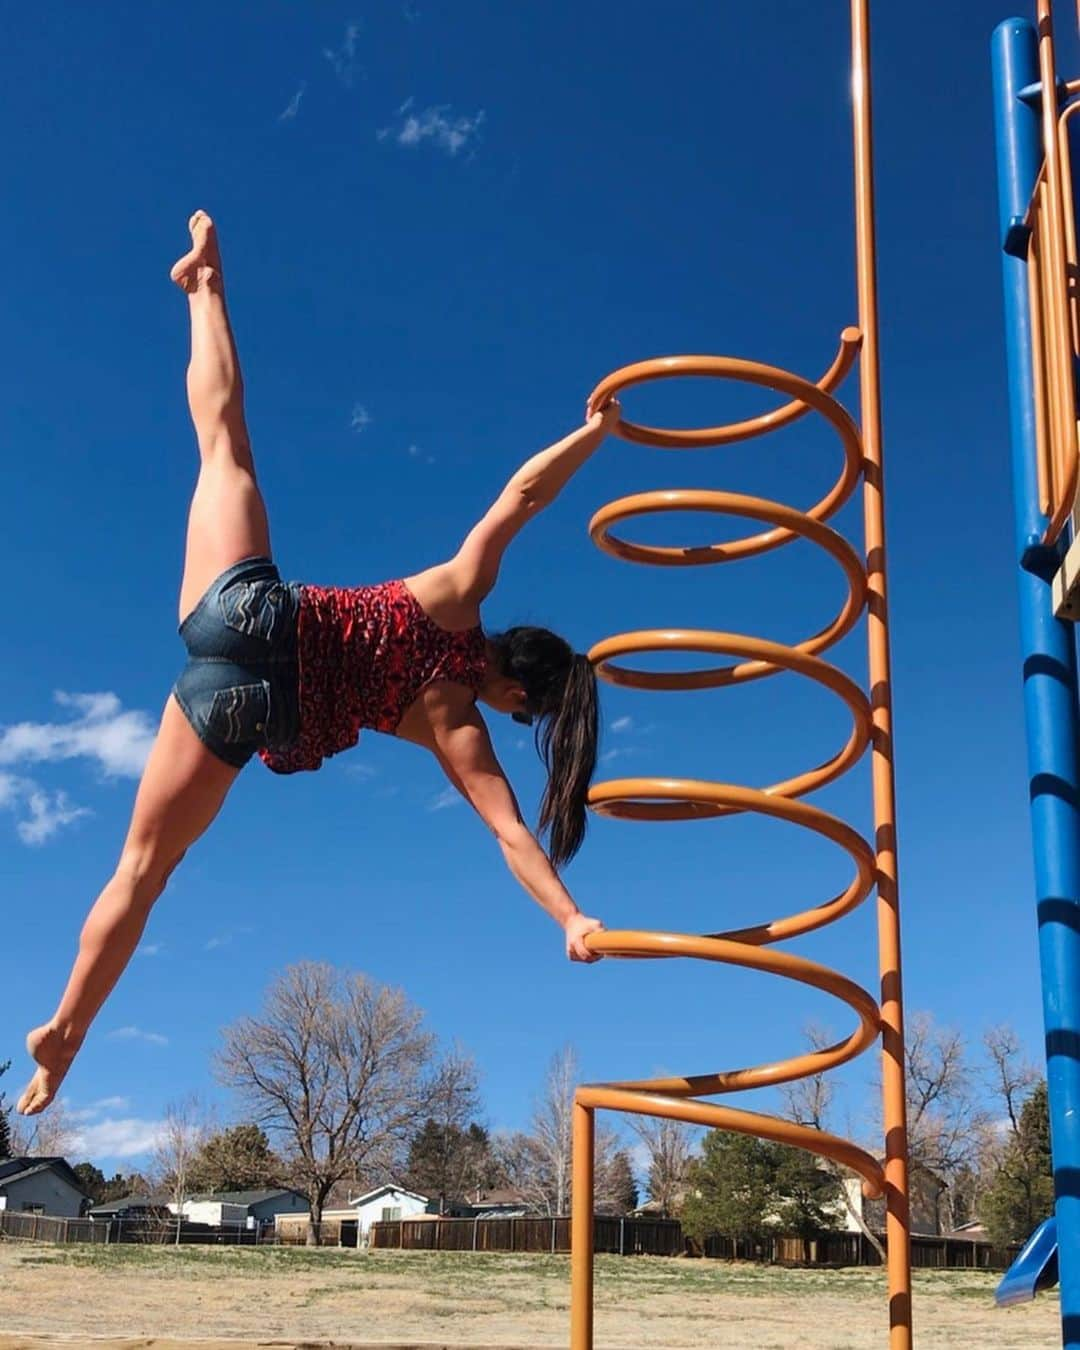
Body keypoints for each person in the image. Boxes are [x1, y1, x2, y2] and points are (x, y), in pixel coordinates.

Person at [17, 211, 615, 1118]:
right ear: (518, 694)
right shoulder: (455, 726)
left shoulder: (458, 593)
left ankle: (205, 286)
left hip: (251, 612)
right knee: (141, 872)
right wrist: (569, 917)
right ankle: (64, 1036)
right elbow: (509, 837)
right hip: (249, 706)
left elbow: (521, 495)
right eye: (524, 716)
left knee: (226, 445)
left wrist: (593, 435)